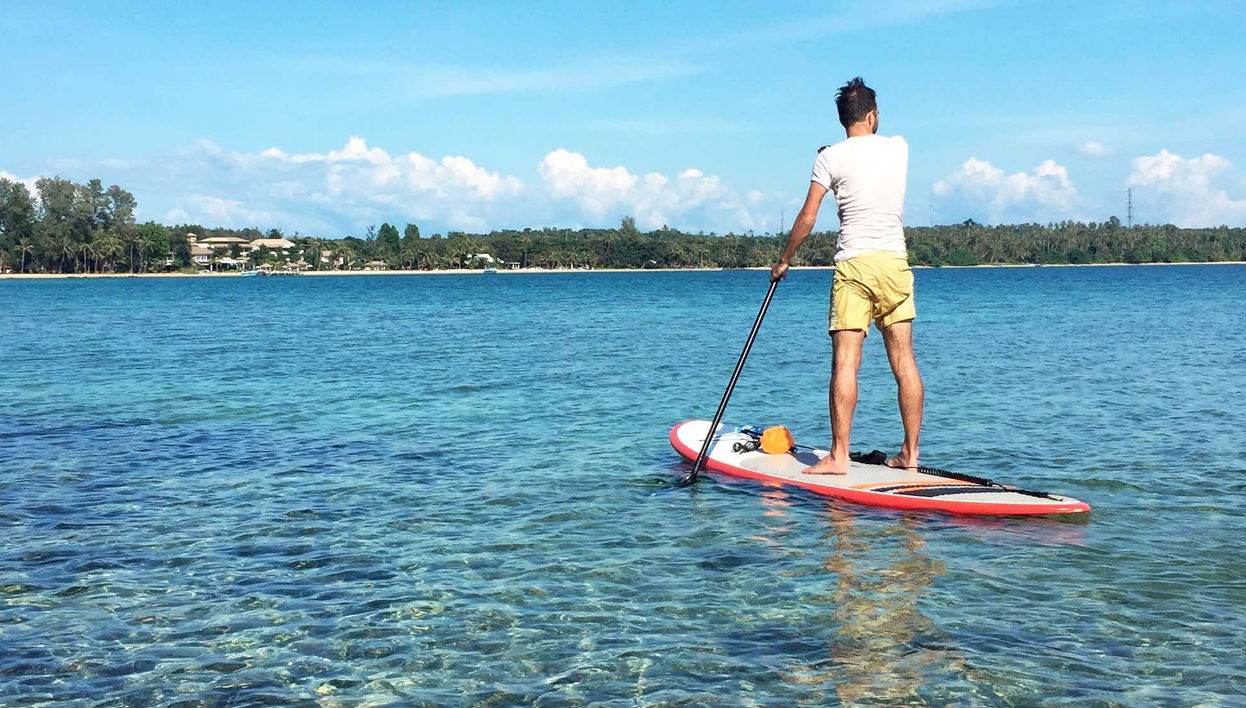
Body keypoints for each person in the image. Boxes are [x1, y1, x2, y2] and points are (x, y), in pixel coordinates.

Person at [770, 77, 923, 475]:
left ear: (842, 120)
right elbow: (872, 151)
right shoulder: (899, 148)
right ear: (873, 116)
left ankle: (839, 456)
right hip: (894, 263)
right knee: (904, 361)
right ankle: (910, 454)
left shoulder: (829, 158)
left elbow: (807, 217)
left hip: (854, 267)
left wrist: (785, 260)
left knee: (845, 363)